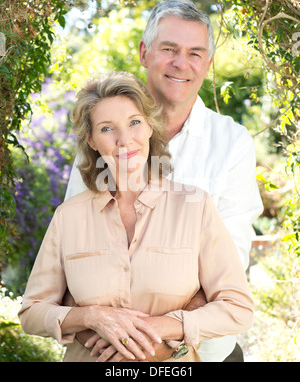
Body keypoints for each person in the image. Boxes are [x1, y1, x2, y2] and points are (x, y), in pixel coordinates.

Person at [65, 0, 263, 362]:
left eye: (195, 53)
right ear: (144, 52)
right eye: (169, 49)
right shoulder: (100, 137)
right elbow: (74, 246)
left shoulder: (232, 144)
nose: (181, 64)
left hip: (206, 352)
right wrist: (111, 327)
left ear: (208, 63)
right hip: (109, 354)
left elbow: (231, 259)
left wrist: (160, 329)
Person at [18, 71, 254, 362]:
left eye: (134, 123)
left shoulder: (196, 207)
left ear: (150, 127)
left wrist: (162, 330)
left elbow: (238, 308)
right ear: (91, 140)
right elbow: (31, 312)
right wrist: (92, 317)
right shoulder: (69, 216)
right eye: (107, 129)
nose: (124, 140)